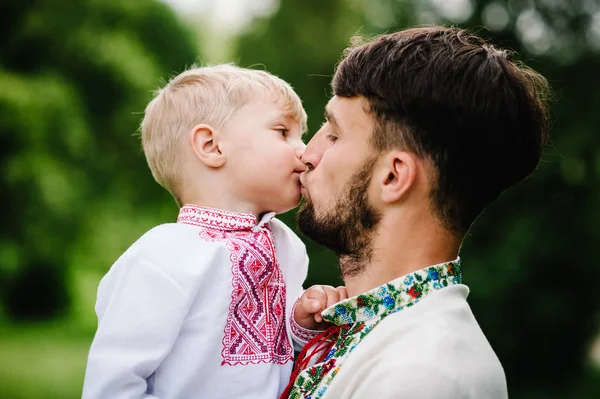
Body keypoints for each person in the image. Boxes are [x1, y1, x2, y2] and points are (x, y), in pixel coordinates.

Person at [282, 26, 551, 399]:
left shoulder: (424, 375)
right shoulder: (365, 333)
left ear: (393, 177)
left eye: (334, 133)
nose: (307, 156)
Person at [82, 64, 345, 399]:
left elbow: (274, 355)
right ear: (211, 146)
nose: (303, 150)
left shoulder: (285, 246)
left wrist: (301, 325)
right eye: (282, 132)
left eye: (300, 136)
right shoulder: (162, 256)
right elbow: (113, 384)